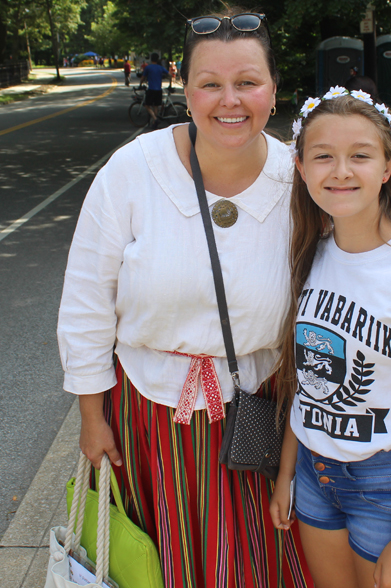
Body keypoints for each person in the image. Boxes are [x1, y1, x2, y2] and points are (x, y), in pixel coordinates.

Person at [57, 8, 313, 588]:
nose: (230, 100)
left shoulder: (301, 179)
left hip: (259, 411)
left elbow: (355, 258)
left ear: (273, 88)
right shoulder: (132, 170)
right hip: (147, 417)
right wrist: (91, 417)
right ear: (185, 89)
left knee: (254, 565)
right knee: (160, 564)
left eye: (247, 82)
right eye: (210, 84)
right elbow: (87, 299)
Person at [270, 90, 391, 588]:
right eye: (323, 156)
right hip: (315, 477)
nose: (340, 171)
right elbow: (308, 378)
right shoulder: (310, 254)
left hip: (388, 484)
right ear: (300, 166)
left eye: (360, 155)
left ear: (387, 166)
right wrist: (288, 471)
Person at [140, 52, 170, 129]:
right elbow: (169, 74)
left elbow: (143, 77)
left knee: (147, 105)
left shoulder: (148, 68)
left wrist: (140, 84)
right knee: (156, 106)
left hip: (151, 89)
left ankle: (155, 119)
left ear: (151, 59)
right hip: (159, 90)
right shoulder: (160, 68)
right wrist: (170, 83)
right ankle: (154, 123)